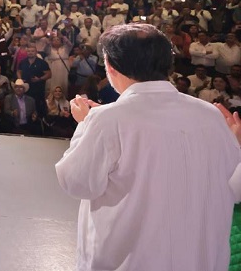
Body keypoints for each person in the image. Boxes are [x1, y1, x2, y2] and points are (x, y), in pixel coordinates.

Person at [55, 23, 241, 271]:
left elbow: (78, 182)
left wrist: (86, 124)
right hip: (198, 260)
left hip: (133, 261)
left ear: (110, 67)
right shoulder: (210, 115)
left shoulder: (106, 120)